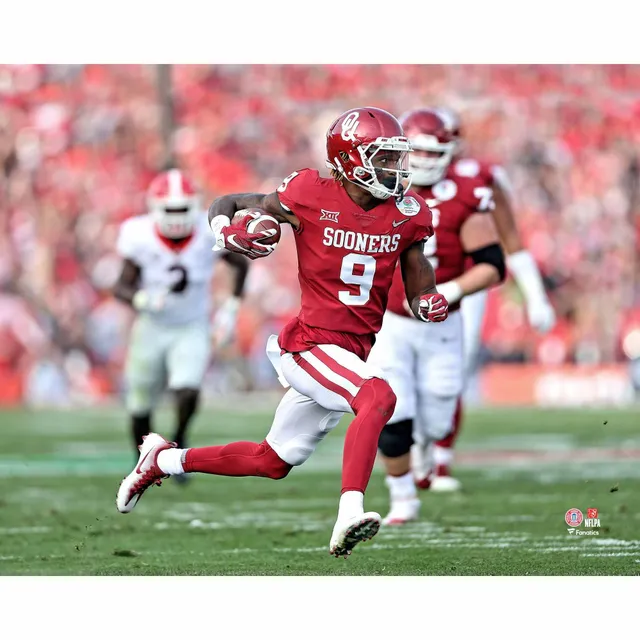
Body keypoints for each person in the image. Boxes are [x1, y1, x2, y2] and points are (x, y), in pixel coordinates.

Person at [115, 107, 449, 558]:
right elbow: (230, 203)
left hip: (351, 350)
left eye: (396, 157)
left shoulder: (409, 213)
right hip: (311, 344)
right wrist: (225, 231)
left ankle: (163, 460)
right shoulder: (308, 191)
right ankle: (350, 509)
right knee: (377, 397)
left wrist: (425, 297)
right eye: (384, 158)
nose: (396, 168)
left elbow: (416, 272)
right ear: (351, 160)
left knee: (271, 461)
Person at [368, 109, 506, 524]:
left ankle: (427, 451)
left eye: (435, 150)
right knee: (392, 413)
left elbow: (493, 264)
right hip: (390, 323)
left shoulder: (465, 194)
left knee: (436, 419)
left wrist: (449, 289)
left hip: (444, 323)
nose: (426, 159)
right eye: (419, 150)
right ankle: (402, 498)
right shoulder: (377, 189)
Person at [413, 106, 557, 491]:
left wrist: (535, 296)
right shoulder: (394, 175)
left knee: (451, 374)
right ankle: (410, 452)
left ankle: (439, 459)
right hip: (401, 290)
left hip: (462, 282)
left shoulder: (478, 177)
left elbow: (509, 239)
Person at [113, 169, 248, 483]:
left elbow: (240, 263)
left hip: (191, 325)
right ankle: (142, 464)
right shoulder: (139, 234)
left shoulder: (206, 230)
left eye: (181, 209)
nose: (176, 217)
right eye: (170, 209)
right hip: (152, 326)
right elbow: (121, 286)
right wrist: (143, 299)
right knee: (140, 403)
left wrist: (230, 308)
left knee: (187, 388)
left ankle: (179, 439)